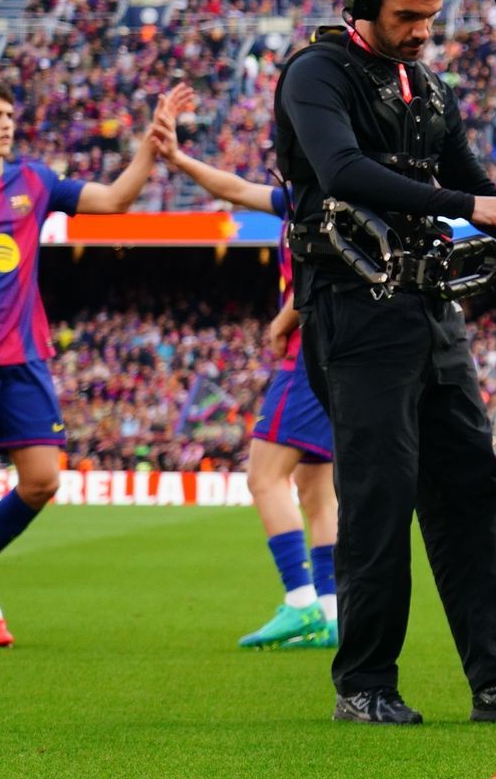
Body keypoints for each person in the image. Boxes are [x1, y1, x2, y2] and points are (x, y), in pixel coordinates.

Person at [274, 0, 496, 725]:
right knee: (376, 499)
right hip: (354, 310)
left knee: (470, 491)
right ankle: (365, 685)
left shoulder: (427, 86)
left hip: (432, 311)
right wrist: (467, 207)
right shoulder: (315, 73)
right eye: (407, 17)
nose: (419, 33)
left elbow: (477, 184)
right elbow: (342, 171)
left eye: (430, 20)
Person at [0, 77, 184, 648]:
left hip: (25, 355)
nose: (6, 124)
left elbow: (116, 200)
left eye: (9, 115)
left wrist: (151, 143)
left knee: (43, 480)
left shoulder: (34, 181)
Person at [148, 111, 339, 650]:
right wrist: (180, 159)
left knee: (264, 477)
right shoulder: (308, 194)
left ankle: (300, 602)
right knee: (315, 487)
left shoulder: (317, 199)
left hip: (308, 355)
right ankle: (330, 613)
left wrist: (284, 319)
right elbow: (232, 188)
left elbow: (321, 269)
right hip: (331, 353)